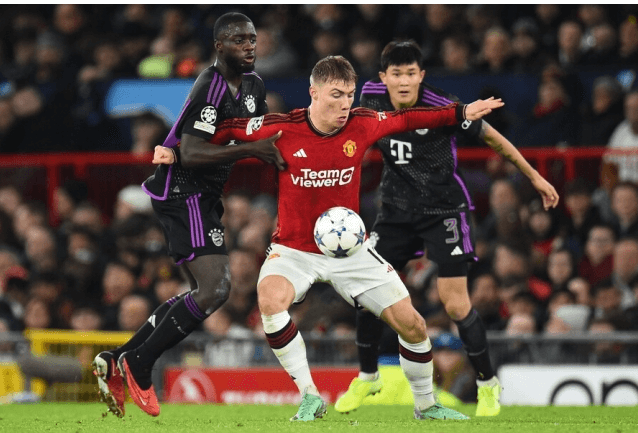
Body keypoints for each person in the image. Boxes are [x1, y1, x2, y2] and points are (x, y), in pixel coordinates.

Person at [155, 55, 503, 421]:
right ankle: (310, 396)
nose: (345, 104)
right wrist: (176, 151)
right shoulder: (281, 128)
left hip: (351, 251)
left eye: (350, 95)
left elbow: (408, 118)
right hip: (294, 249)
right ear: (314, 92)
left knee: (414, 326)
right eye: (336, 95)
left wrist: (461, 112)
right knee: (270, 301)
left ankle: (426, 405)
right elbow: (227, 128)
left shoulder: (362, 123)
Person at [332, 41, 559, 417]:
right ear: (383, 78)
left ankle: (488, 384)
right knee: (367, 294)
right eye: (396, 74)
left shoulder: (443, 105)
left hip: (444, 211)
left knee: (455, 303)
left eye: (411, 73)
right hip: (396, 210)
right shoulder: (369, 96)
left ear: (421, 75)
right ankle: (368, 377)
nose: (404, 82)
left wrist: (534, 176)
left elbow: (492, 137)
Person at [91, 12, 285, 418]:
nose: (248, 46)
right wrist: (253, 150)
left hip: (205, 194)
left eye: (252, 39)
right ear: (219, 46)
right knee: (215, 288)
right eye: (238, 39)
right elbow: (193, 151)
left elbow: (259, 129)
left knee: (204, 290)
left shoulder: (254, 84)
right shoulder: (209, 85)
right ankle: (140, 364)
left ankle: (120, 357)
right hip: (183, 189)